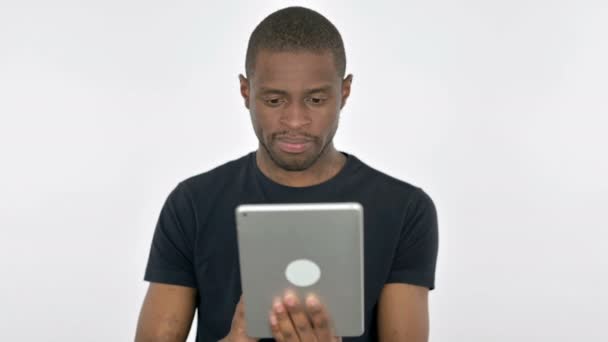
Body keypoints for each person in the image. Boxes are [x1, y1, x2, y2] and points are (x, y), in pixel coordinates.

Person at [135, 6, 438, 342]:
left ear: (345, 92)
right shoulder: (191, 203)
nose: (295, 121)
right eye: (275, 100)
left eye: (316, 99)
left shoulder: (404, 209)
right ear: (246, 92)